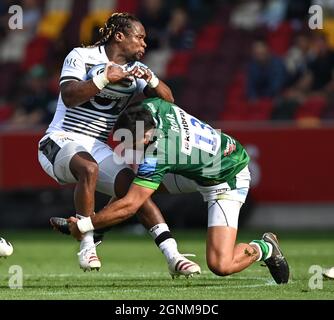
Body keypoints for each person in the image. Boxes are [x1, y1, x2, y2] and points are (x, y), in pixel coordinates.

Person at [38, 12, 200, 277]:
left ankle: (173, 256)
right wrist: (104, 78)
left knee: (137, 190)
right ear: (119, 36)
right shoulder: (81, 56)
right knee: (89, 169)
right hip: (60, 139)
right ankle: (87, 244)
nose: (144, 44)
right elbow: (68, 97)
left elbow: (169, 101)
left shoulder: (136, 73)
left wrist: (152, 80)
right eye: (139, 38)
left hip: (97, 145)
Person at [66, 97, 290, 284]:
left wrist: (85, 224)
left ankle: (265, 247)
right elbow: (165, 96)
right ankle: (98, 231)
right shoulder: (153, 107)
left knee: (221, 265)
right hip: (200, 165)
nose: (126, 147)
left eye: (131, 142)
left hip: (226, 177)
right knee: (133, 187)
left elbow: (131, 205)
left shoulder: (160, 151)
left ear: (146, 135)